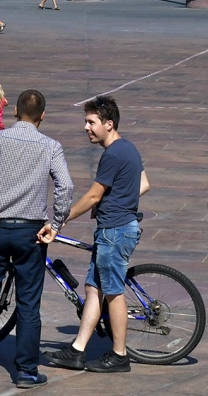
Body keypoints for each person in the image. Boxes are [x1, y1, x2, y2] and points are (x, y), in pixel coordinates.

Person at [0, 89, 73, 391]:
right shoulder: (50, 146)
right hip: (30, 232)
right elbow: (65, 186)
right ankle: (25, 370)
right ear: (42, 116)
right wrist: (56, 223)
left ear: (15, 112)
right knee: (28, 303)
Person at [46, 96, 149, 374]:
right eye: (86, 122)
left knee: (113, 293)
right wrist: (118, 200)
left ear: (109, 124)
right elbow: (144, 184)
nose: (86, 128)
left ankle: (120, 355)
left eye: (91, 122)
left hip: (115, 231)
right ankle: (77, 350)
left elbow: (93, 195)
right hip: (116, 227)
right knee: (94, 288)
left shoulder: (112, 154)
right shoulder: (129, 148)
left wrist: (61, 219)